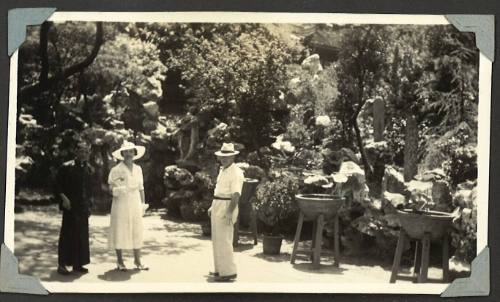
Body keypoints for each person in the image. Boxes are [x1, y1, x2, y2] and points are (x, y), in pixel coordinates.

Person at [108, 141, 148, 271]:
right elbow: (110, 187)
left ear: (134, 153)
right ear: (122, 153)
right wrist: (117, 190)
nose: (129, 154)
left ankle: (137, 260)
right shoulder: (116, 170)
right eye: (126, 152)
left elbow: (141, 188)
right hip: (121, 202)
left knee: (137, 229)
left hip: (135, 201)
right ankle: (120, 261)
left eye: (131, 151)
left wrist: (143, 204)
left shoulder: (138, 169)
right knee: (120, 228)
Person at [55, 139, 93, 275]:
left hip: (83, 206)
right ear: (75, 151)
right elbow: (57, 185)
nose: (83, 154)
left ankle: (78, 264)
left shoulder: (88, 168)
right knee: (67, 234)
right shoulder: (66, 167)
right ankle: (62, 265)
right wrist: (63, 198)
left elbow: (90, 189)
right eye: (81, 151)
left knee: (81, 235)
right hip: (70, 205)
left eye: (86, 151)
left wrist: (90, 205)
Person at [208, 143, 244, 282]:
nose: (224, 159)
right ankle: (219, 270)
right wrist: (213, 206)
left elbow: (235, 195)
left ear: (233, 157)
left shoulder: (236, 172)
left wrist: (230, 212)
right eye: (222, 156)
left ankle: (228, 271)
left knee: (224, 240)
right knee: (217, 239)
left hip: (227, 205)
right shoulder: (223, 170)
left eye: (227, 156)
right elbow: (219, 190)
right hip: (218, 203)